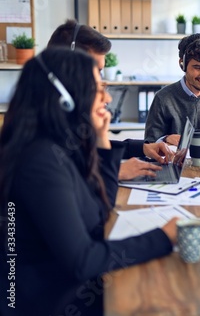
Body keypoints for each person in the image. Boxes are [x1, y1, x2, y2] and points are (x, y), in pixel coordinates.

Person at [0, 48, 179, 315]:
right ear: (66, 100)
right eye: (97, 89)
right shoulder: (40, 162)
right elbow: (83, 261)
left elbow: (99, 214)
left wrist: (102, 139)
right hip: (49, 300)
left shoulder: (59, 147)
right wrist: (163, 237)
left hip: (67, 287)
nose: (107, 98)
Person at [48, 19, 173, 180]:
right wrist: (115, 171)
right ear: (68, 69)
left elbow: (89, 152)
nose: (106, 94)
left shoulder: (68, 109)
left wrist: (142, 148)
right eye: (96, 71)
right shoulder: (46, 123)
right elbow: (64, 175)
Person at [144, 33, 200, 145]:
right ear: (182, 64)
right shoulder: (163, 98)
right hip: (175, 161)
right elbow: (149, 145)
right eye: (198, 67)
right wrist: (165, 139)